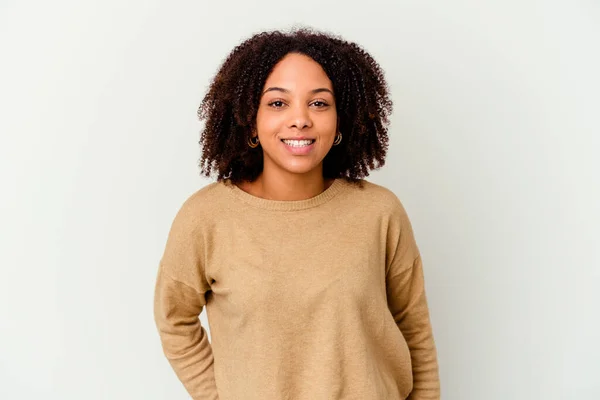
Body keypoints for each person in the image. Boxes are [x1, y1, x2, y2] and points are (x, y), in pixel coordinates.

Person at [153, 28, 440, 400]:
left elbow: (415, 330)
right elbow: (173, 320)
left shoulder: (379, 212)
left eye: (319, 103)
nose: (300, 119)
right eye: (277, 103)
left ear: (340, 119)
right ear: (250, 120)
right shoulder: (206, 218)